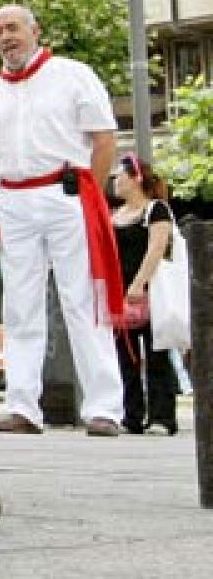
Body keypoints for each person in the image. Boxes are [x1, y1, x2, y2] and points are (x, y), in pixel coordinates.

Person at [0, 4, 125, 437]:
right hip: (13, 201)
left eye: (13, 28)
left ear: (35, 30)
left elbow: (105, 138)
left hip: (66, 193)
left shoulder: (73, 75)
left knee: (83, 299)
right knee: (19, 305)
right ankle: (22, 406)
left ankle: (105, 408)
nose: (6, 37)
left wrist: (90, 194)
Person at [110, 153, 179, 435]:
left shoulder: (156, 210)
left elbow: (157, 247)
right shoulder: (114, 216)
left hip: (151, 291)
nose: (116, 181)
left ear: (136, 178)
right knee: (125, 356)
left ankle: (162, 417)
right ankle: (132, 415)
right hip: (119, 293)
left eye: (121, 176)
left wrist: (139, 284)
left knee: (157, 353)